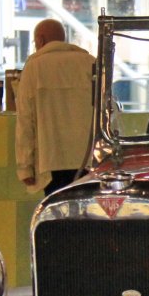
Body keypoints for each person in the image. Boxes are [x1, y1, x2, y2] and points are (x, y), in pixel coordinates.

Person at [16, 18, 96, 195]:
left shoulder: (34, 67)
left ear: (41, 40)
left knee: (56, 209)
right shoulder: (90, 63)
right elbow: (107, 112)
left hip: (50, 160)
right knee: (87, 209)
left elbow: (25, 121)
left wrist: (25, 168)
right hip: (87, 160)